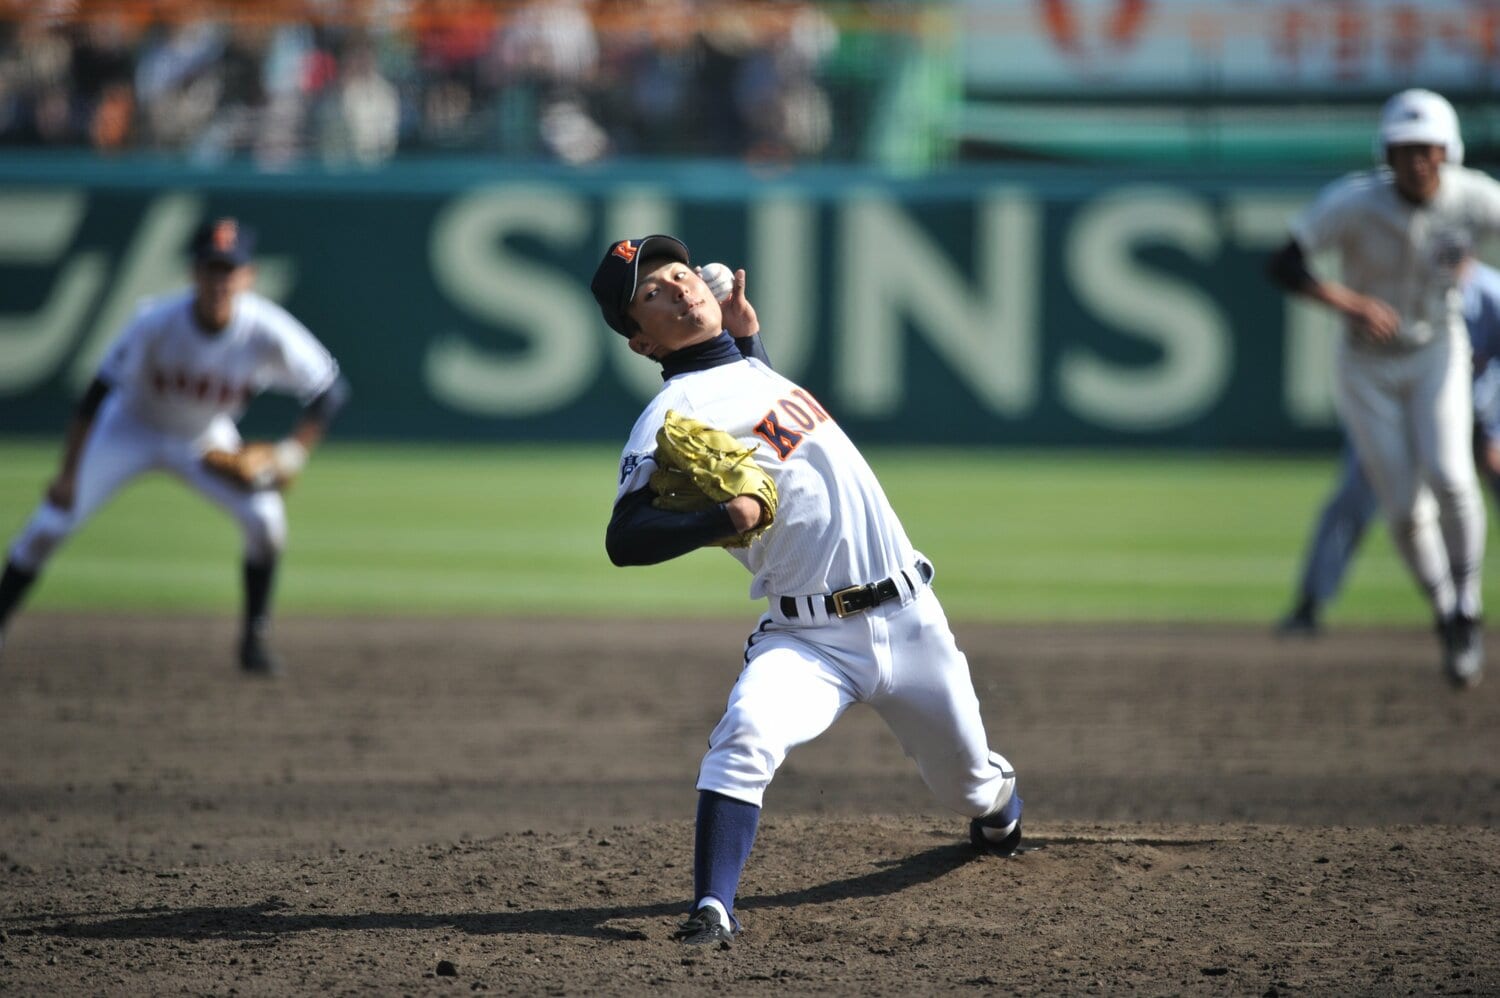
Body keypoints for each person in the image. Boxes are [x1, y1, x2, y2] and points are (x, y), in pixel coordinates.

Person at [592, 234, 1023, 948]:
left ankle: (998, 807)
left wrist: (748, 335)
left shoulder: (752, 371)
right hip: (809, 641)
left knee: (969, 787)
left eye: (676, 271)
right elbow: (623, 538)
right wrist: (717, 519)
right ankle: (712, 908)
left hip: (914, 623)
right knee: (744, 735)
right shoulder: (672, 414)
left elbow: (758, 403)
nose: (676, 284)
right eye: (652, 292)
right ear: (640, 342)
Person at [0, 217, 349, 676]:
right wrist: (68, 474)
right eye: (211, 268)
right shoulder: (155, 321)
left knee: (266, 521)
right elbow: (94, 396)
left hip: (203, 437)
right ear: (193, 273)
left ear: (248, 276)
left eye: (230, 269)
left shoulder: (265, 327)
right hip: (128, 428)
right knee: (49, 525)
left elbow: (330, 390)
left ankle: (254, 642)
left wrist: (291, 454)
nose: (220, 280)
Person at [1266, 89, 1500, 689]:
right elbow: (1284, 262)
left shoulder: (1474, 197)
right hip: (1366, 364)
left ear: (1447, 152)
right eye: (1404, 151)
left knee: (1451, 474)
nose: (1417, 162)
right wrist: (1348, 301)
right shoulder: (1353, 201)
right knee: (1401, 508)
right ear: (1386, 155)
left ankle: (1468, 606)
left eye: (1427, 150)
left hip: (1436, 350)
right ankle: (1443, 610)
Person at [1279, 259, 1500, 652]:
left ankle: (1461, 612)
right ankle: (1309, 604)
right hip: (1398, 418)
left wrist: (1495, 431)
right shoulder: (1398, 286)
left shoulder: (1490, 293)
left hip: (1476, 418)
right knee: (1354, 498)